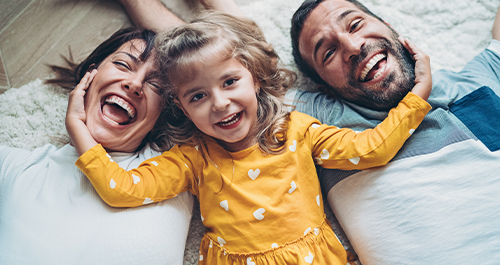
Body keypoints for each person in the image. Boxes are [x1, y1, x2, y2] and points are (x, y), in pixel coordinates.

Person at [66, 11, 432, 264]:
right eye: (198, 96)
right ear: (180, 106)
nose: (220, 104)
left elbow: (371, 149)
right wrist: (79, 127)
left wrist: (416, 98)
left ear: (255, 77)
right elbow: (121, 188)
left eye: (230, 82)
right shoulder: (192, 158)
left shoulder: (296, 130)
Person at [287, 0, 500, 264]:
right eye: (328, 53)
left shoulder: (481, 75)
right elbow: (235, 75)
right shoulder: (325, 127)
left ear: (388, 26)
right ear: (324, 87)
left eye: (355, 25)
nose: (354, 47)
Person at [0, 26, 195, 264]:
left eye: (156, 85)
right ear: (89, 75)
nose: (134, 84)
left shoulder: (177, 167)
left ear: (165, 113)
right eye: (123, 65)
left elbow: (222, 64)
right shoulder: (15, 168)